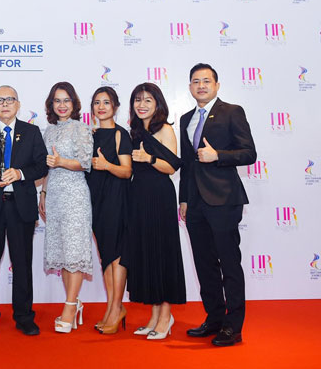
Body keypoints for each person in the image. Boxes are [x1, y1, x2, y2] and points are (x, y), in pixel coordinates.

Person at [179, 63, 256, 347]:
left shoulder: (232, 111)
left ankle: (233, 327)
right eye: (196, 81)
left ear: (217, 85)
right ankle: (214, 319)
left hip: (224, 200)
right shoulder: (186, 118)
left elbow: (249, 153)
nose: (201, 86)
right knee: (204, 264)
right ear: (190, 87)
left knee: (229, 263)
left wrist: (218, 155)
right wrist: (184, 199)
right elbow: (187, 165)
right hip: (195, 203)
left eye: (206, 81)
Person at [0, 85, 48, 337]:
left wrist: (21, 173)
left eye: (9, 99)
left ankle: (24, 316)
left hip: (20, 207)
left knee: (22, 264)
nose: (4, 104)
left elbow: (41, 166)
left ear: (18, 104)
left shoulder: (31, 132)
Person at [122, 83, 185, 340]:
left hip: (159, 197)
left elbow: (172, 166)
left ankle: (166, 316)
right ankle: (154, 316)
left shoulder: (165, 129)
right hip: (139, 197)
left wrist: (149, 159)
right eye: (138, 100)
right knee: (147, 254)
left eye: (148, 100)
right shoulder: (136, 132)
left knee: (162, 254)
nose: (142, 105)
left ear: (157, 103)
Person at [37, 82, 93, 334]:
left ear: (74, 103)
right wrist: (43, 193)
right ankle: (74, 302)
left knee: (74, 252)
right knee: (62, 253)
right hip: (55, 196)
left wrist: (61, 161)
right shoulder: (48, 131)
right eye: (57, 100)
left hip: (75, 195)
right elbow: (47, 168)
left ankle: (70, 307)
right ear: (51, 104)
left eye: (66, 100)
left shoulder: (81, 128)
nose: (62, 105)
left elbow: (85, 163)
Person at [85, 87, 132, 334]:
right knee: (105, 255)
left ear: (115, 106)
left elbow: (127, 171)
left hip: (116, 198)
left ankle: (116, 308)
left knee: (116, 255)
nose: (101, 107)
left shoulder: (120, 134)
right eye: (96, 102)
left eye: (106, 102)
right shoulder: (89, 135)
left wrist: (106, 165)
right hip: (94, 200)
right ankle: (113, 308)